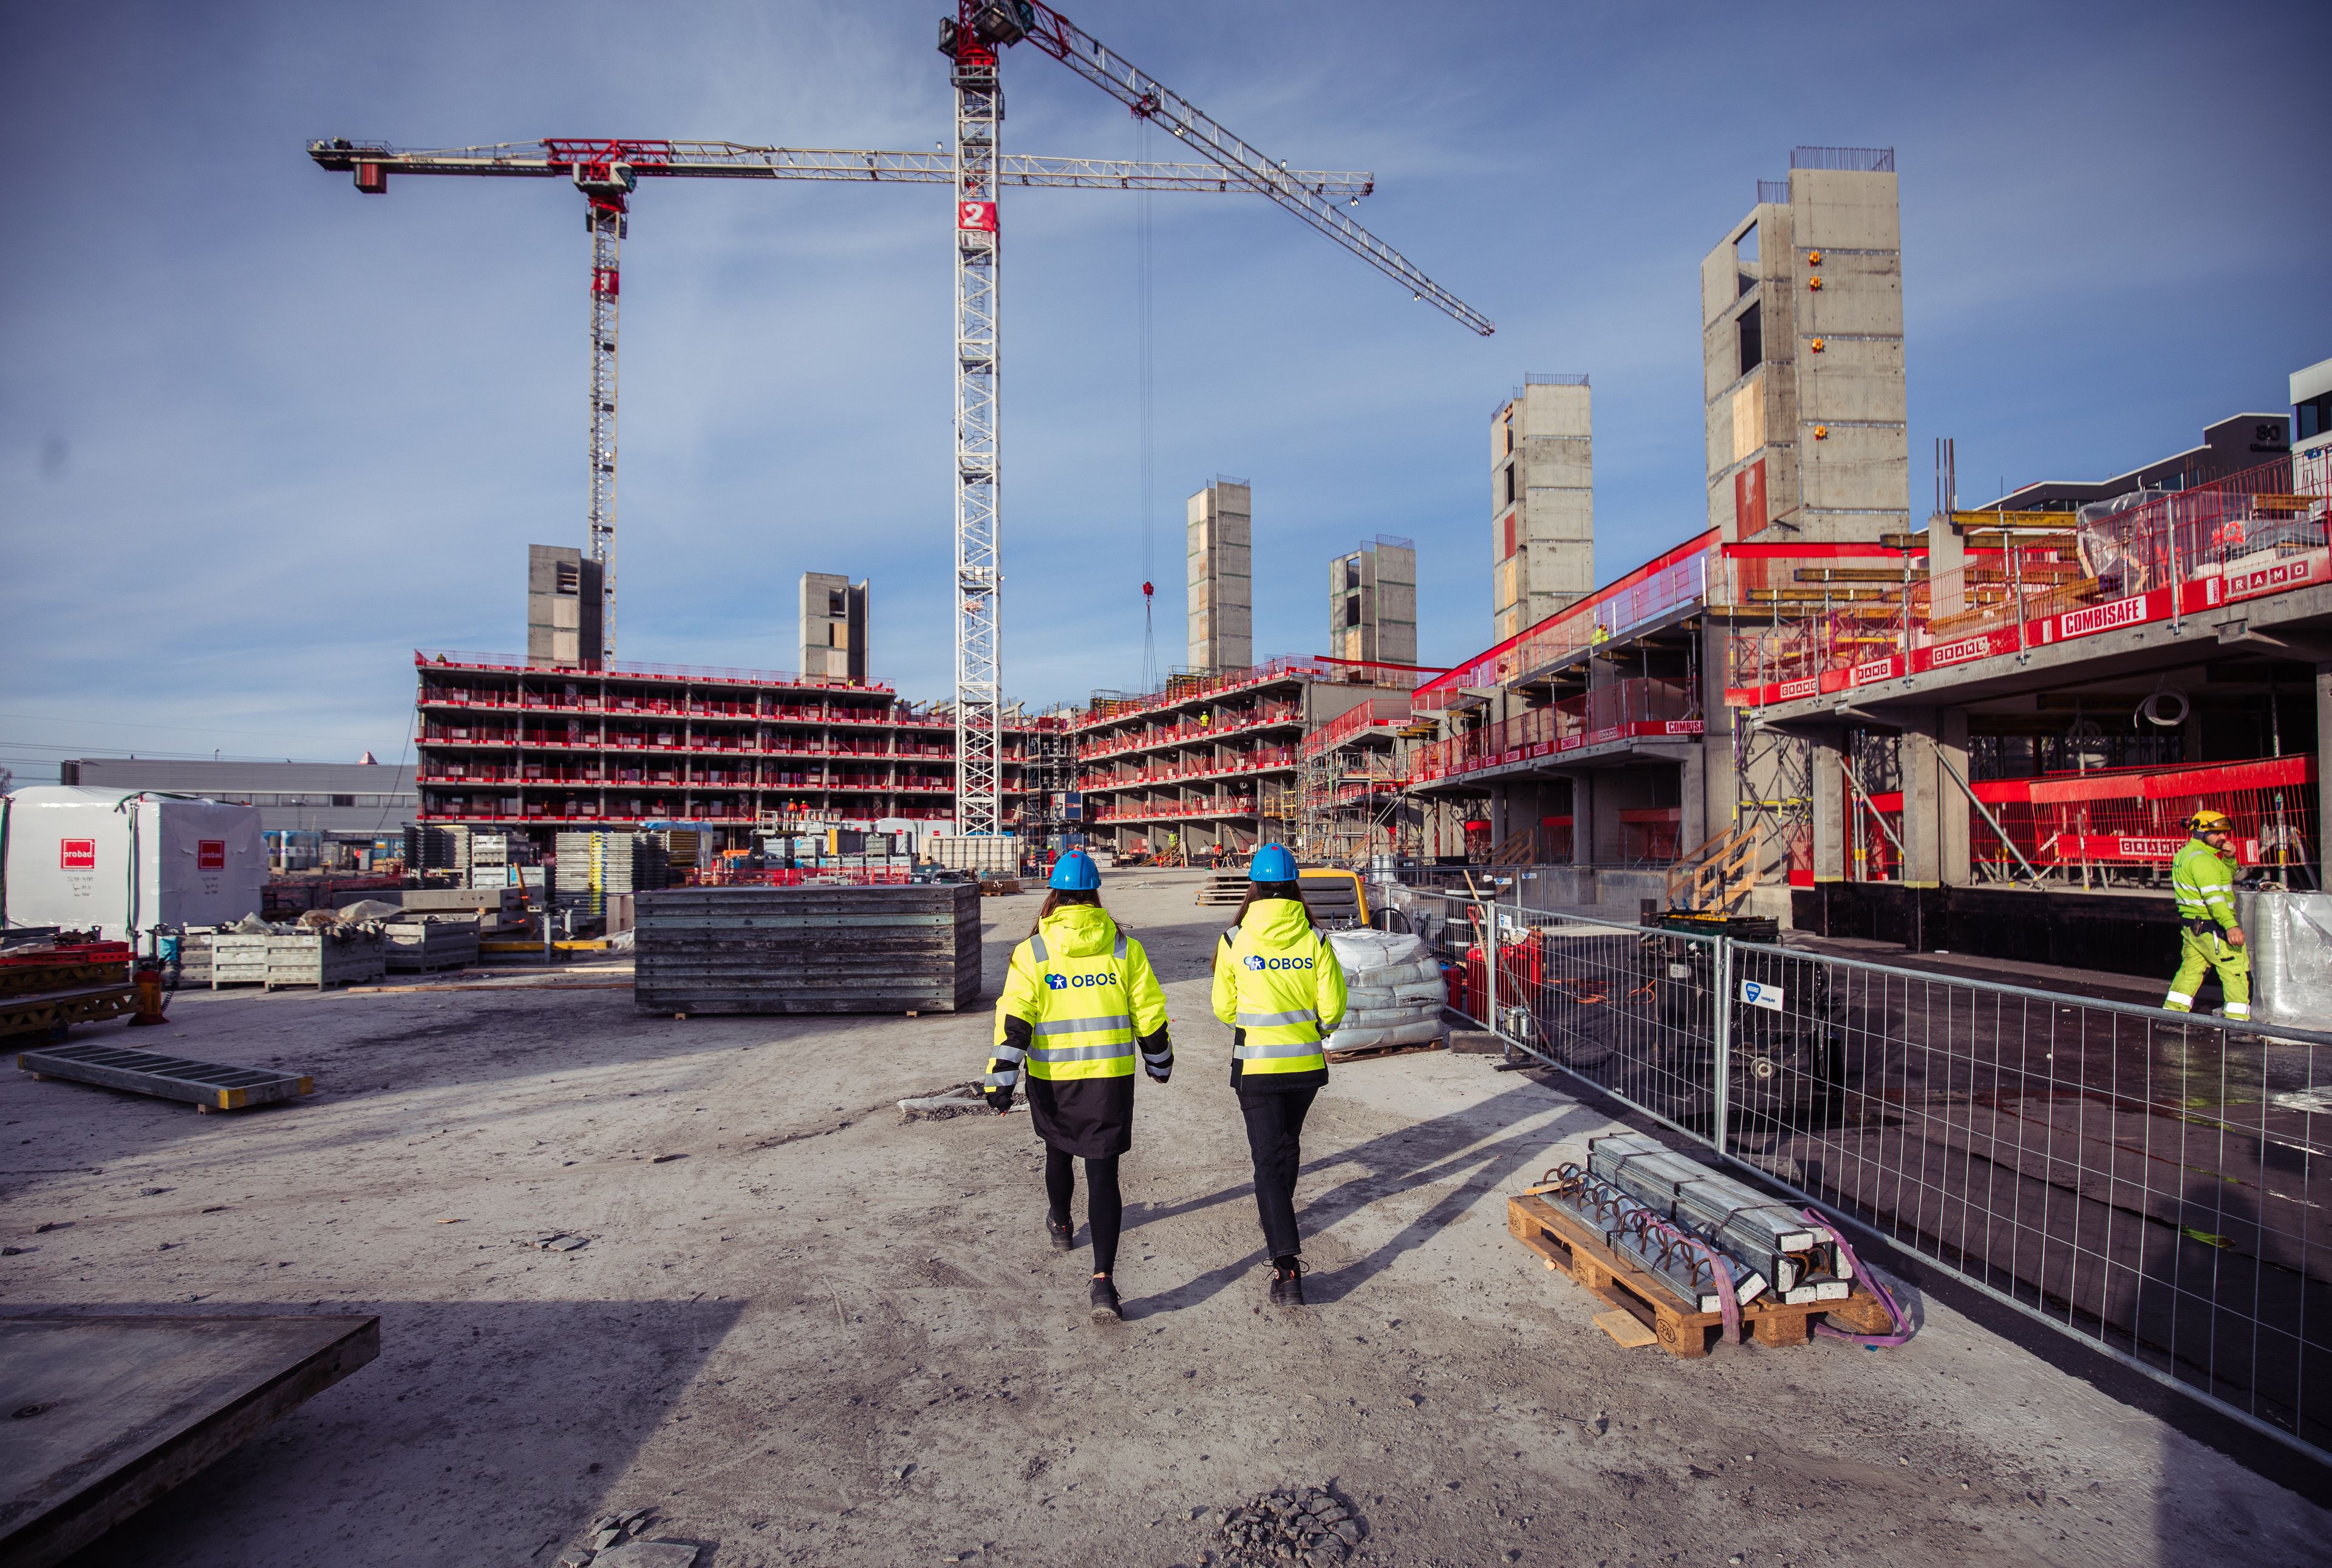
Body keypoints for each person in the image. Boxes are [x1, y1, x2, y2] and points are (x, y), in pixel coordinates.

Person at [982, 848, 1172, 1321]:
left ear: (1054, 895)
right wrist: (1159, 1061)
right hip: (1109, 1081)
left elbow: (1015, 1020)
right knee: (1104, 1174)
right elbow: (1148, 1012)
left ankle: (1062, 1223)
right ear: (1095, 895)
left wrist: (1001, 1081)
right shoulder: (1124, 949)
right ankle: (1104, 1282)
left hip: (1054, 1080)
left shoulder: (1033, 952)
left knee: (1058, 1152)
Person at [1211, 843, 1346, 1307]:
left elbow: (1223, 1007)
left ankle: (1287, 1269)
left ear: (1253, 886)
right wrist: (1312, 1030)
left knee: (1268, 1161)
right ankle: (1277, 1215)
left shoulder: (1234, 940)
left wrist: (1253, 1025)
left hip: (1257, 1067)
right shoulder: (1316, 940)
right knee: (1287, 1146)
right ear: (1294, 885)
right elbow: (1333, 1008)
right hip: (1305, 1066)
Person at [2164, 808, 2249, 1024]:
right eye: (2217, 833)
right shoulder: (2203, 860)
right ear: (2200, 832)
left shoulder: (2187, 855)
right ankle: (2238, 1025)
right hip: (2212, 926)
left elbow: (2222, 877)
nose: (2223, 837)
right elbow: (2214, 898)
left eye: (2225, 832)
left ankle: (2172, 1018)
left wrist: (2229, 859)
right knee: (2235, 970)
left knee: (2191, 971)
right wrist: (2230, 926)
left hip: (2193, 927)